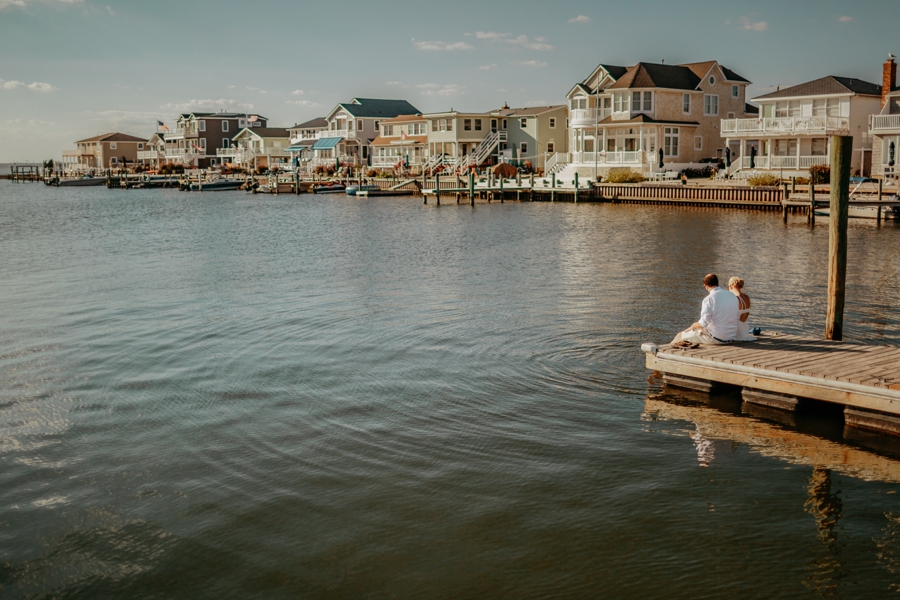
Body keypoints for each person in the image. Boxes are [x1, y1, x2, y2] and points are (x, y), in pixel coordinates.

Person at [671, 273, 739, 346]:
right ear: (717, 283)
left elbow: (703, 323)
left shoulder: (709, 299)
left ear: (705, 285)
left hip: (716, 338)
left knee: (680, 335)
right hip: (730, 337)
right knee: (697, 331)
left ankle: (662, 353)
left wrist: (692, 326)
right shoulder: (731, 295)